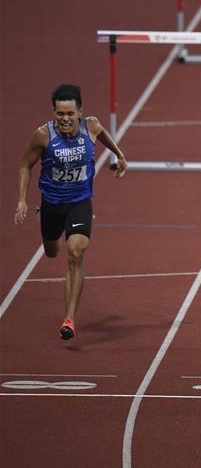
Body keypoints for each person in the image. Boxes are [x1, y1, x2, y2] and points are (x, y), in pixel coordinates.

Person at [14, 84, 128, 340]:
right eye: (59, 114)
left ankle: (69, 320)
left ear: (80, 112)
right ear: (54, 113)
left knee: (75, 252)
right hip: (51, 205)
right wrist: (22, 199)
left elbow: (104, 135)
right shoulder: (43, 135)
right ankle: (41, 214)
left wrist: (119, 155)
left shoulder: (92, 126)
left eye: (69, 113)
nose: (65, 119)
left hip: (80, 202)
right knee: (51, 252)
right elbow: (24, 165)